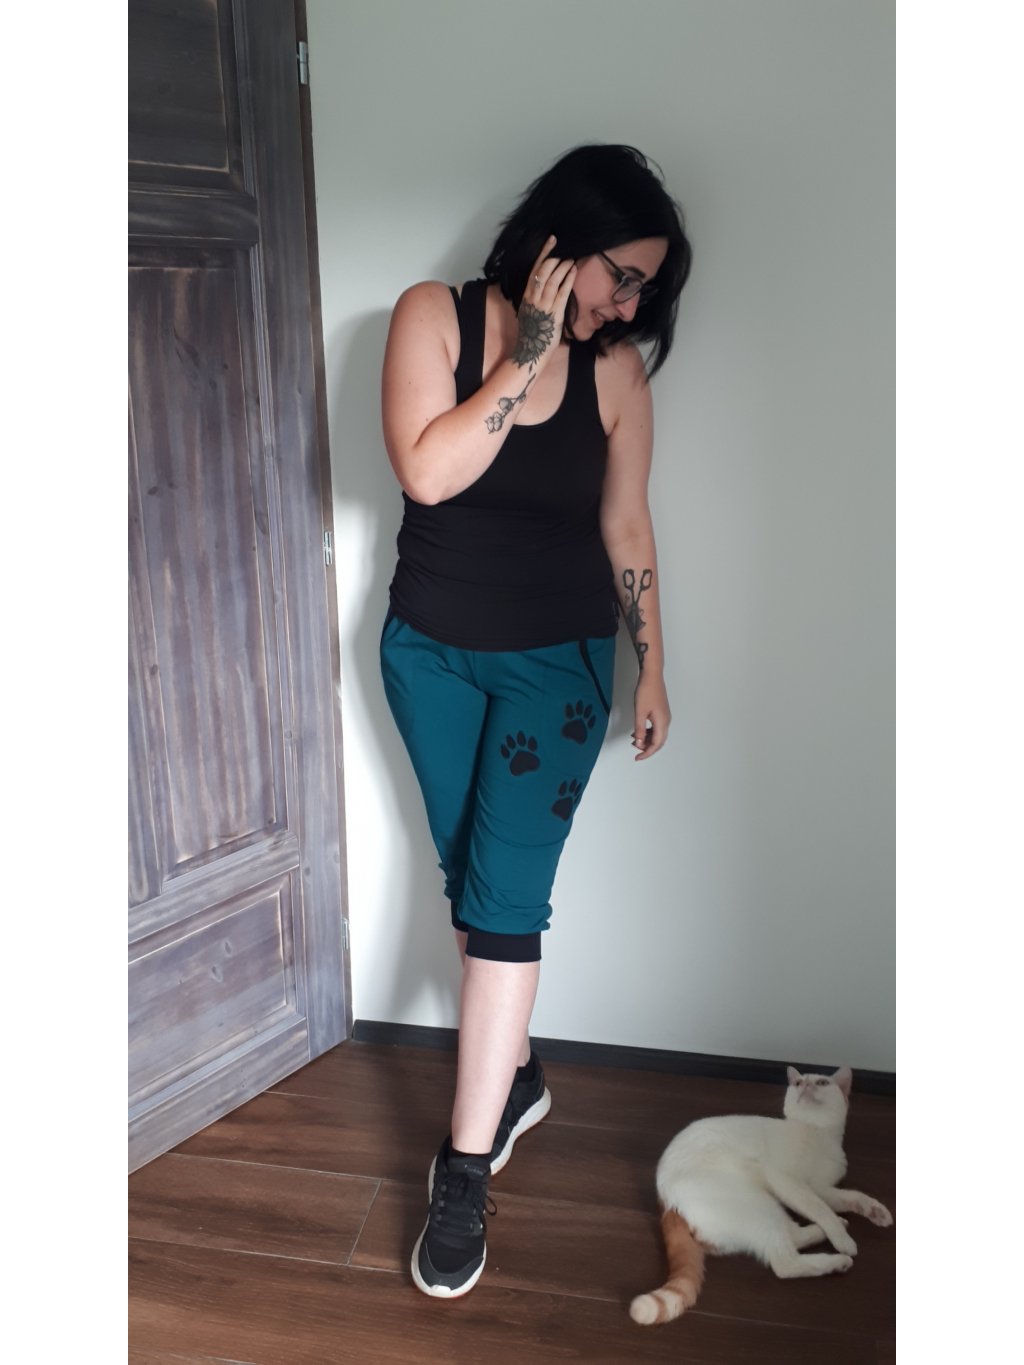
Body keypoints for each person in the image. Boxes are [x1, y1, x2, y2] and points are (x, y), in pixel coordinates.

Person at [379, 143, 693, 1298]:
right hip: (428, 656)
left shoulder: (619, 376)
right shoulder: (433, 317)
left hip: (554, 671)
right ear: (560, 244)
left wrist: (651, 667)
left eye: (646, 289)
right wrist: (527, 355)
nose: (631, 305)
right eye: (623, 276)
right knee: (468, 879)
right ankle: (513, 1078)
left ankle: (464, 1173)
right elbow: (428, 474)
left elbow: (626, 527)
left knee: (505, 906)